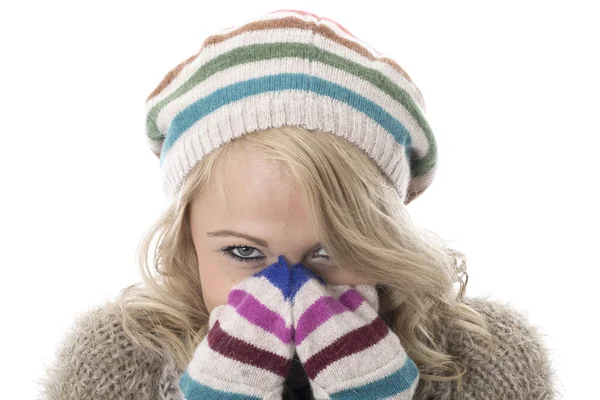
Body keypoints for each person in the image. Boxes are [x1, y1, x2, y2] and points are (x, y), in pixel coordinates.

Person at [39, 9, 559, 400]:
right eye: (243, 252)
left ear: (384, 241)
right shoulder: (118, 358)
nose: (288, 291)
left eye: (328, 250)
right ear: (187, 242)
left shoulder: (486, 358)